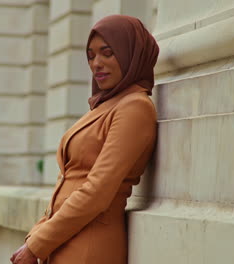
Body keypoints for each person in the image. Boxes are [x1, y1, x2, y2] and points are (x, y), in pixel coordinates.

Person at [10, 15, 159, 264]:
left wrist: (37, 245)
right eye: (91, 56)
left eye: (107, 53)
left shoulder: (135, 107)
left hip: (90, 247)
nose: (96, 64)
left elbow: (97, 191)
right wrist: (35, 236)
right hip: (63, 241)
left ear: (131, 53)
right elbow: (69, 182)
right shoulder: (107, 105)